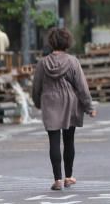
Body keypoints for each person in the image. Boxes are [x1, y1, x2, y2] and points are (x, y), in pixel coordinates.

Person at [32, 27, 96, 191]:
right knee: (69, 140)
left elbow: (36, 87)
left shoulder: (42, 63)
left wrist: (38, 103)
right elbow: (82, 86)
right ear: (67, 42)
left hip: (50, 102)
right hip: (70, 102)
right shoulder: (72, 61)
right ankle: (68, 177)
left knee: (53, 141)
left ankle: (57, 180)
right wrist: (89, 107)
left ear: (51, 42)